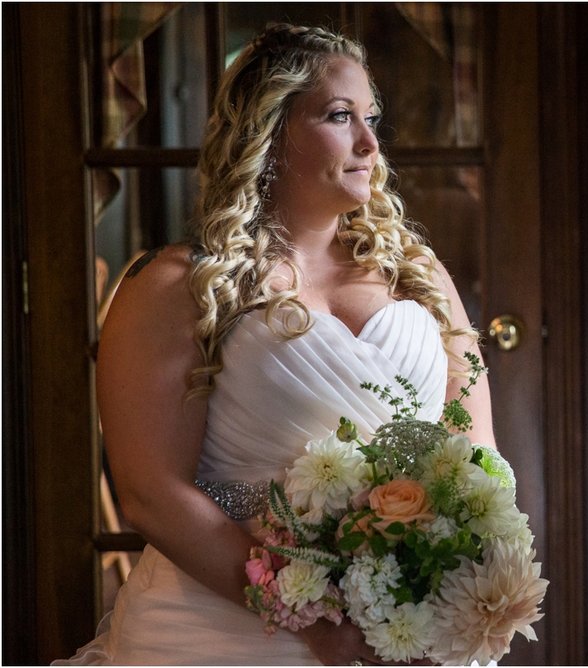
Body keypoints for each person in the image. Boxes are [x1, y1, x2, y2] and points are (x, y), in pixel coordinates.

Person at [59, 23, 494, 665]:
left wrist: (441, 593)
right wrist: (314, 622)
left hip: (402, 635)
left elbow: (478, 457)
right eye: (340, 116)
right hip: (220, 630)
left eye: (371, 118)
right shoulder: (176, 285)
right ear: (270, 129)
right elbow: (152, 492)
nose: (371, 143)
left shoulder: (421, 276)